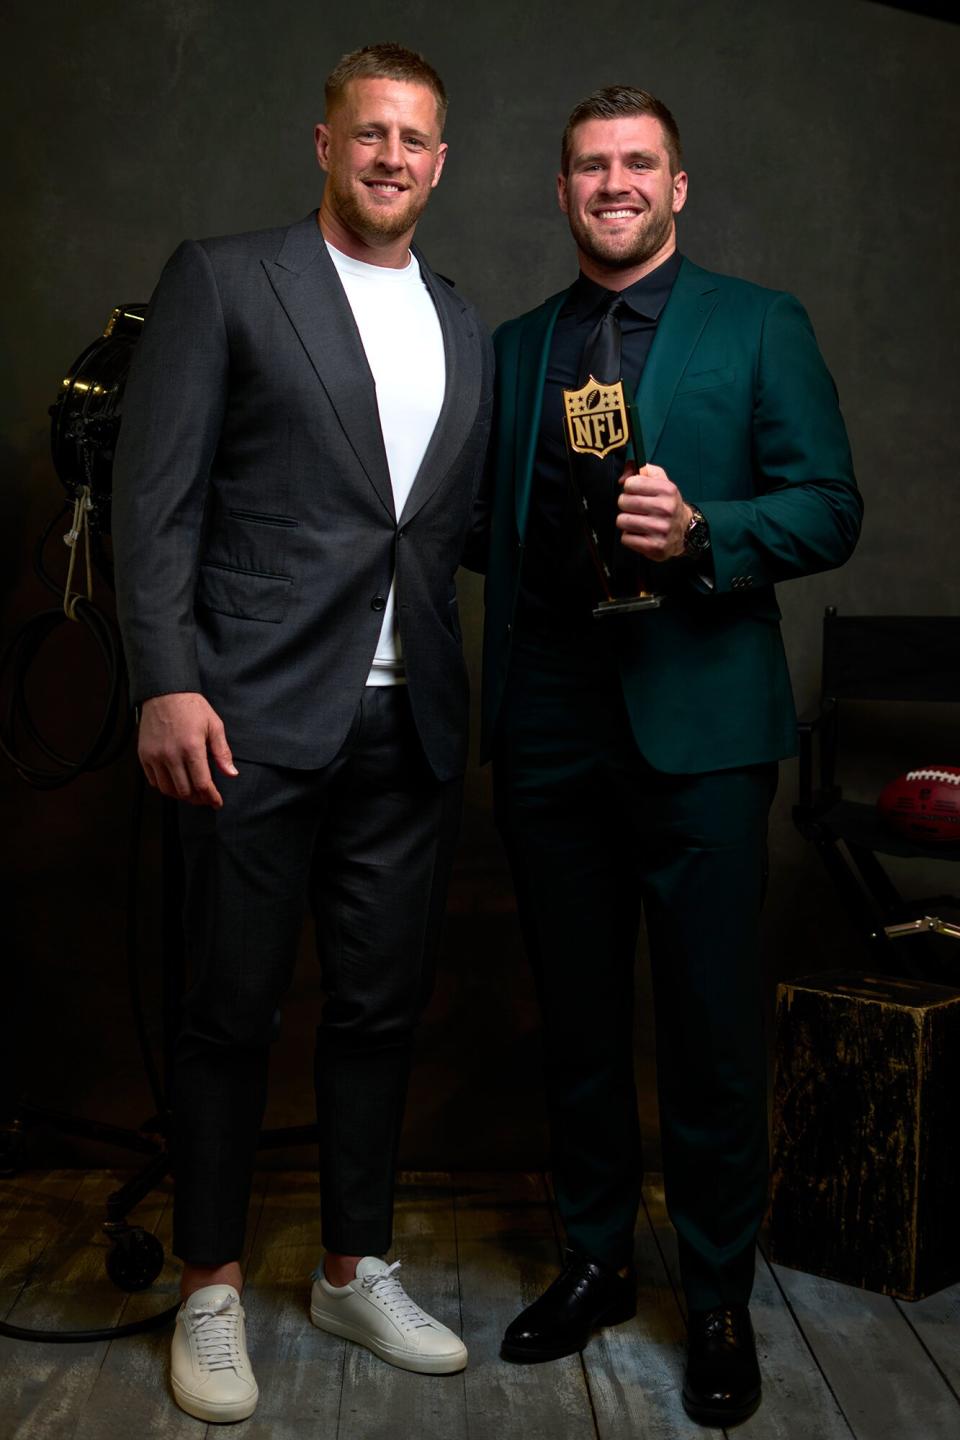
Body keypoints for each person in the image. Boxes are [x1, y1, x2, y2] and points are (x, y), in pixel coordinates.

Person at [113, 42, 492, 1424]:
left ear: (441, 164)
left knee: (381, 1009)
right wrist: (166, 675)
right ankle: (210, 1281)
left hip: (410, 733)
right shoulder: (226, 279)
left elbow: (453, 530)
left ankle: (351, 1261)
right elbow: (156, 498)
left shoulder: (462, 322)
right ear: (323, 142)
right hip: (248, 721)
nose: (392, 156)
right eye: (369, 131)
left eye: (416, 139)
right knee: (226, 1008)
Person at [474, 86, 861, 1427]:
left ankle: (712, 1299)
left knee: (706, 1035)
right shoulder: (521, 348)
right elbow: (489, 528)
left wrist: (704, 532)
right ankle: (592, 1258)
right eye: (591, 164)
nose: (616, 183)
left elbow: (828, 507)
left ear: (678, 188)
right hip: (548, 729)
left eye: (640, 164)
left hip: (698, 730)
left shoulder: (760, 325)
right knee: (575, 1020)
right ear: (564, 189)